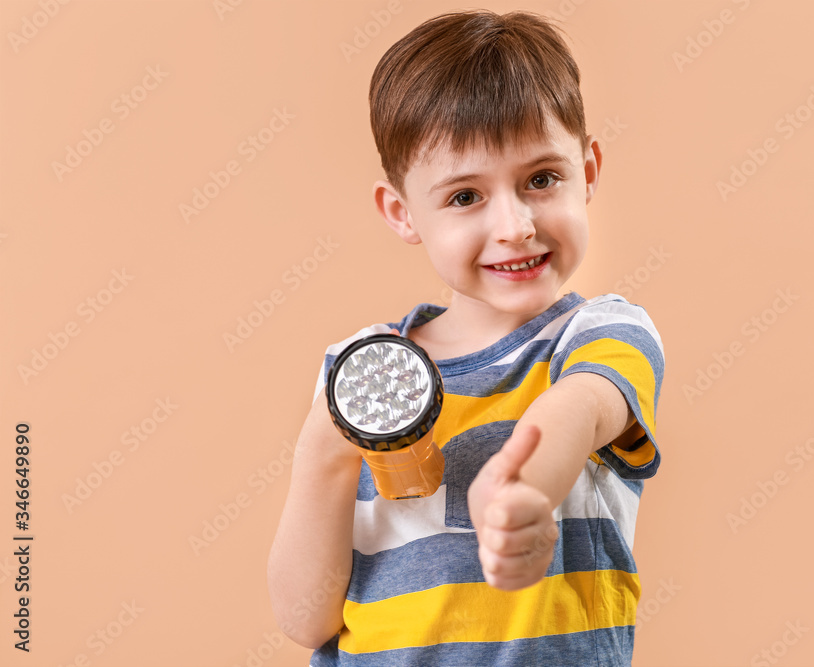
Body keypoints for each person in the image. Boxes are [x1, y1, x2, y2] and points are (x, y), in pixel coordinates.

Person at [267, 9, 664, 666]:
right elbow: (305, 617)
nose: (513, 225)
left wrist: (524, 489)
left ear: (588, 171)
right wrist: (324, 450)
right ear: (403, 213)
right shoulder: (359, 372)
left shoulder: (601, 335)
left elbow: (581, 408)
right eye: (464, 197)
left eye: (541, 179)